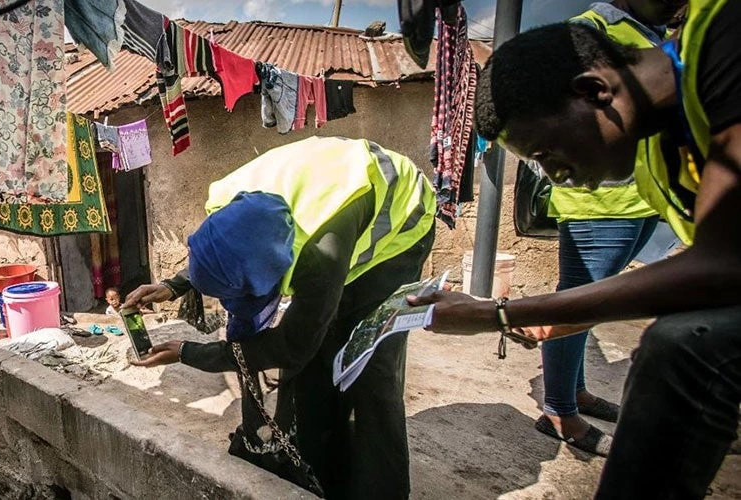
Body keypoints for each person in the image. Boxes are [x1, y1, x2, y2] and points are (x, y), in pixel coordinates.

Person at [412, 1, 741, 497]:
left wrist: (499, 314)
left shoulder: (727, 35)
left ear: (592, 90)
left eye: (546, 154)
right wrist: (557, 315)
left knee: (680, 347)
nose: (554, 177)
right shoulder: (658, 160)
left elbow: (722, 267)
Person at [124, 136, 436, 498]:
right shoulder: (229, 202)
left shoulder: (318, 256)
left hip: (399, 224)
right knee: (316, 368)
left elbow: (291, 346)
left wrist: (187, 353)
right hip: (338, 198)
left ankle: (380, 489)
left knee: (369, 366)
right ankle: (319, 472)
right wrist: (174, 284)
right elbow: (224, 250)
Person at [534, 0, 678, 457]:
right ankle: (558, 409)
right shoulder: (591, 30)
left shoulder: (652, 34)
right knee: (581, 297)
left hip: (637, 194)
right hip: (601, 198)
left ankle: (573, 392)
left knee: (588, 303)